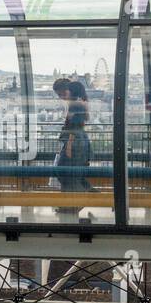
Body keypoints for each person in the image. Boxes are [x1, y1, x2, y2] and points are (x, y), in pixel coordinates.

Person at [53, 77, 93, 214]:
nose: (63, 97)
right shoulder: (81, 103)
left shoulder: (75, 105)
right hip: (80, 142)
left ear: (70, 91)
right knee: (72, 174)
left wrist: (68, 146)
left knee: (64, 172)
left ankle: (71, 204)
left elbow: (72, 128)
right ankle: (72, 203)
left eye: (64, 93)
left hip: (73, 142)